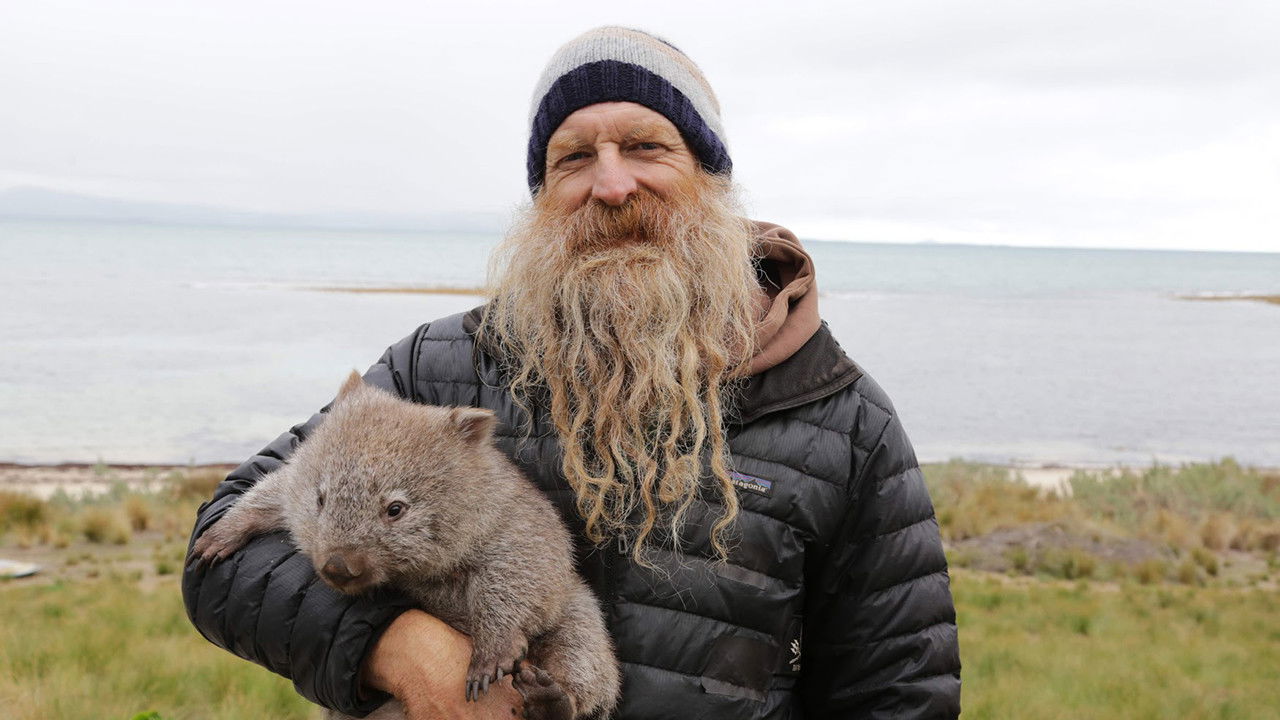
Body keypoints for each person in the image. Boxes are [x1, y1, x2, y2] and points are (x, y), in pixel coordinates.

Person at [183, 25, 961, 719]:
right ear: (542, 195)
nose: (612, 184)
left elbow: (897, 693)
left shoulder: (841, 418)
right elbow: (222, 564)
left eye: (647, 146)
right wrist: (399, 648)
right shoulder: (438, 372)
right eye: (575, 157)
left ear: (712, 178)